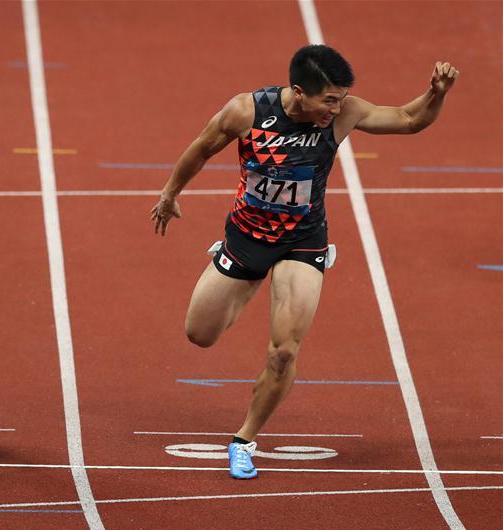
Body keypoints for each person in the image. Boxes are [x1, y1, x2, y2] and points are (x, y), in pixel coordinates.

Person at [150, 45, 458, 479]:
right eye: (329, 100)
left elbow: (409, 120)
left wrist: (436, 93)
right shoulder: (247, 111)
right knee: (199, 334)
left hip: (303, 242)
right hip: (247, 238)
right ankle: (240, 274)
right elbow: (201, 148)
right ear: (298, 92)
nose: (337, 108)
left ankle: (244, 440)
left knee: (283, 352)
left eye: (341, 99)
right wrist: (169, 194)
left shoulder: (343, 114)